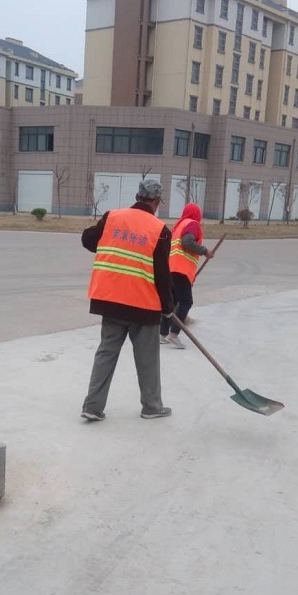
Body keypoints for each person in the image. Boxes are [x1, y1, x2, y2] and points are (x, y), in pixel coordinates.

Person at [80, 179, 175, 422]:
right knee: (147, 359)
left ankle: (92, 407)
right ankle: (151, 407)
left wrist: (110, 244)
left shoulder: (112, 217)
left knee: (106, 353)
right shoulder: (160, 230)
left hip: (110, 300)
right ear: (156, 202)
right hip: (143, 306)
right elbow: (163, 275)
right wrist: (168, 307)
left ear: (137, 197)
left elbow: (88, 239)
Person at [160, 202, 214, 349]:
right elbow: (187, 242)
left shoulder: (178, 226)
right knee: (186, 302)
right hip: (181, 270)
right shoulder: (192, 224)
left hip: (171, 269)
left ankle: (162, 333)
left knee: (171, 303)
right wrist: (204, 251)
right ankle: (173, 334)